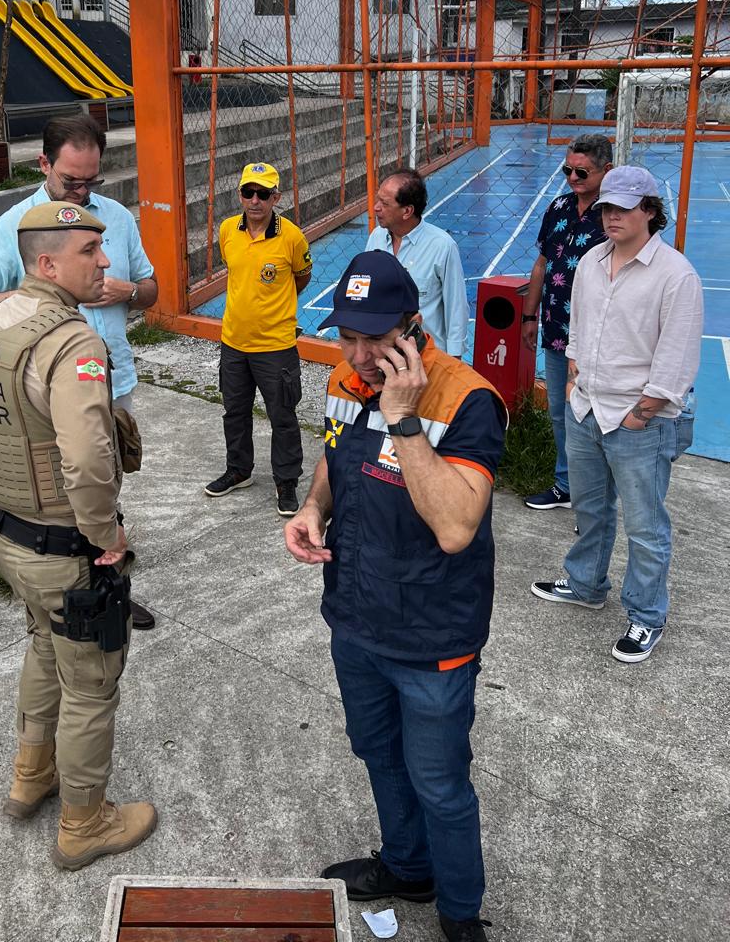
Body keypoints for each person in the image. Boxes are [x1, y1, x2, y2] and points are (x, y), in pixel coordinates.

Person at [285, 251, 506, 942]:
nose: (357, 354)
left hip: (432, 635)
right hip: (356, 619)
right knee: (377, 754)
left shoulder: (465, 399)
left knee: (440, 783)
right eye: (347, 337)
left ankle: (461, 913)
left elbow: (454, 527)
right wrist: (311, 509)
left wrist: (404, 420)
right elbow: (335, 458)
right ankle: (409, 866)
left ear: (413, 326)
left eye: (374, 339)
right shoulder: (345, 380)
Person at [0, 201, 157, 869]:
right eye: (90, 251)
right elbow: (89, 460)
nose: (106, 261)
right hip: (64, 547)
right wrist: (106, 536)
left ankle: (31, 776)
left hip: (6, 534)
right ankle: (85, 822)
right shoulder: (72, 343)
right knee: (92, 682)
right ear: (48, 262)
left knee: (43, 643)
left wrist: (8, 462)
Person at [0, 114, 157, 630]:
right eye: (72, 180)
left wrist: (130, 292)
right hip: (39, 394)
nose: (82, 190)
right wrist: (40, 300)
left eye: (92, 179)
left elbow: (152, 288)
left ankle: (107, 585)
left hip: (112, 379)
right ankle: (63, 593)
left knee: (103, 485)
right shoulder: (14, 226)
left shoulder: (115, 217)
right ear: (44, 163)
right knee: (60, 496)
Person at [530, 166, 703, 664]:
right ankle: (586, 583)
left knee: (645, 527)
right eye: (608, 207)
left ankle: (647, 615)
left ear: (650, 210)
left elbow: (676, 359)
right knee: (590, 509)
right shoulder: (589, 261)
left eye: (625, 207)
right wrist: (578, 381)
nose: (612, 216)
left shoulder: (675, 275)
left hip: (638, 420)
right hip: (588, 407)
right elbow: (578, 326)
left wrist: (641, 413)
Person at [205, 162, 312, 516]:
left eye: (263, 194)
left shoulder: (292, 237)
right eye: (248, 192)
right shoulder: (226, 230)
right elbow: (234, 270)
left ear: (276, 197)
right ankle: (239, 470)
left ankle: (286, 482)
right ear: (239, 195)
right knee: (234, 412)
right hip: (234, 341)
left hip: (276, 346)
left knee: (282, 416)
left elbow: (301, 277)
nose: (255, 200)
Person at [521, 134, 612, 511]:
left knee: (599, 414)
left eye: (581, 172)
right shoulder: (558, 207)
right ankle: (566, 484)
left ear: (606, 170)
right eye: (567, 170)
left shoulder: (616, 214)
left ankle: (598, 491)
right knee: (561, 411)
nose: (572, 178)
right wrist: (530, 315)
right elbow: (542, 264)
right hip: (557, 329)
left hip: (599, 336)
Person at [366, 168, 468, 357]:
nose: (376, 207)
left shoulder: (442, 246)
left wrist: (454, 357)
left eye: (385, 203)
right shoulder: (376, 238)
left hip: (427, 356)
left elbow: (456, 308)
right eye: (378, 200)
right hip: (383, 353)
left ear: (407, 211)